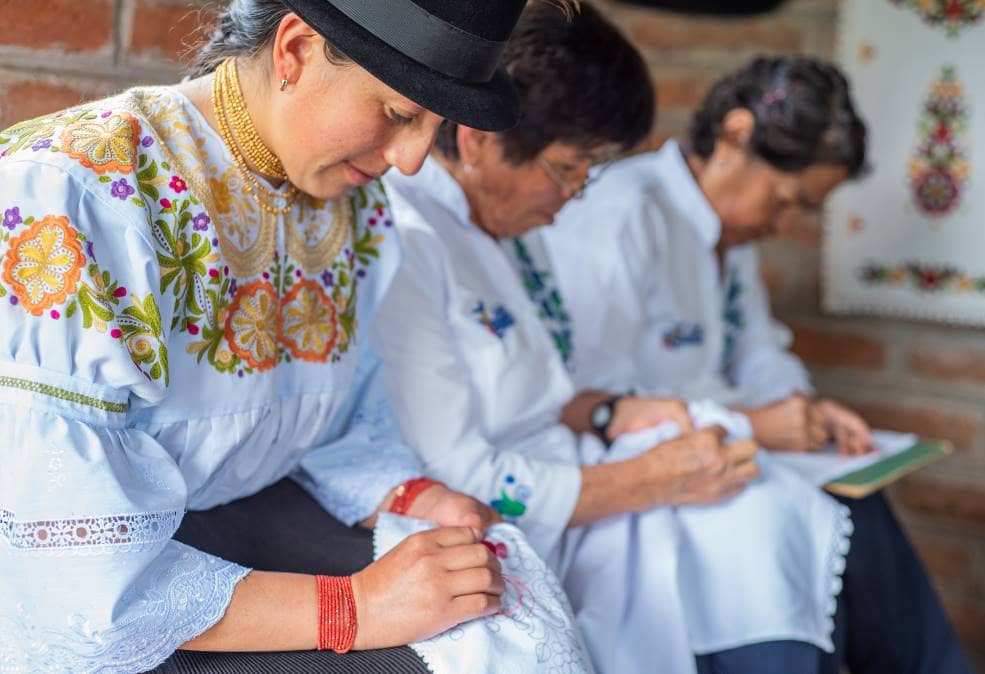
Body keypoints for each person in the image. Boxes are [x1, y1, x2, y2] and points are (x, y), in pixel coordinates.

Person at [0, 1, 554, 672]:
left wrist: (409, 495)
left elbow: (345, 421)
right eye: (400, 114)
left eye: (432, 129)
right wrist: (355, 608)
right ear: (295, 50)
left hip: (242, 527)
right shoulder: (73, 196)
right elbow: (75, 577)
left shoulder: (353, 206)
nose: (409, 162)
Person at [373, 5, 859, 673]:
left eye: (587, 173)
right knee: (754, 545)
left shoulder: (511, 231)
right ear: (481, 139)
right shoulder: (411, 244)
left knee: (779, 533)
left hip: (579, 481)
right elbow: (463, 476)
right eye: (568, 168)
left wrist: (606, 411)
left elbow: (533, 388)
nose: (575, 196)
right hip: (506, 525)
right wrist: (641, 481)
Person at [536, 55, 973, 673]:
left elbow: (761, 350)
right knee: (776, 532)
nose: (781, 224)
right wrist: (759, 425)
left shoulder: (728, 237)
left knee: (859, 502)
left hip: (724, 444)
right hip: (640, 467)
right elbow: (591, 402)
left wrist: (805, 410)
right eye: (785, 200)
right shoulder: (621, 214)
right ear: (736, 137)